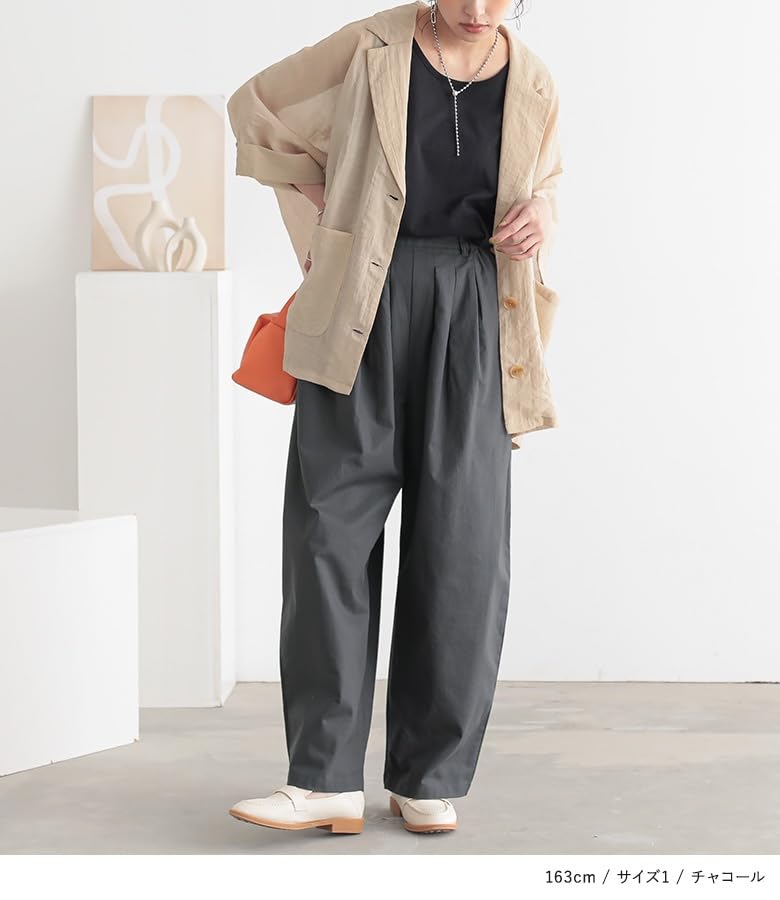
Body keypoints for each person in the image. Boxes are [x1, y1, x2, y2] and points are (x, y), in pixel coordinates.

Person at [226, 0, 563, 836]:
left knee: (464, 547)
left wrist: (546, 213)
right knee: (328, 532)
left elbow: (546, 182)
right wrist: (327, 220)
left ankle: (427, 775)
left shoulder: (534, 80)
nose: (478, 10)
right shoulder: (370, 45)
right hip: (362, 301)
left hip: (477, 308)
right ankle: (324, 779)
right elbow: (256, 108)